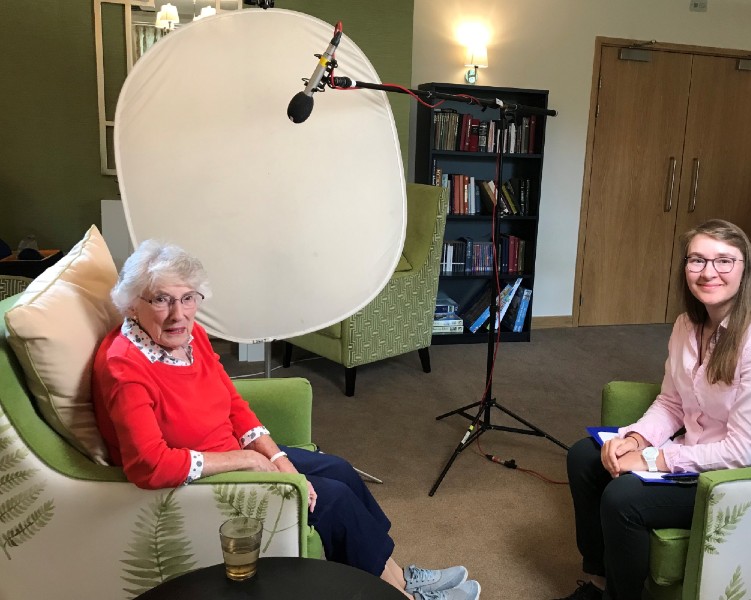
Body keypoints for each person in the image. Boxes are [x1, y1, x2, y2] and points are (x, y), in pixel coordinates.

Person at [92, 240, 481, 600]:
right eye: (162, 300)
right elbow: (149, 466)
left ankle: (397, 579)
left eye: (188, 298)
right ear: (131, 304)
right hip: (200, 475)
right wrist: (249, 460)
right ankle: (404, 597)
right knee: (334, 500)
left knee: (339, 470)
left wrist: (277, 459)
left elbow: (232, 402)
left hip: (230, 448)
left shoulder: (192, 336)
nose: (179, 314)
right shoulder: (125, 368)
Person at [555, 219, 751, 600]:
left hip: (745, 478)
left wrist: (652, 458)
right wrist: (633, 437)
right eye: (697, 260)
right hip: (700, 454)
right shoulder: (687, 325)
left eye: (724, 261)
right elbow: (672, 402)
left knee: (624, 498)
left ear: (744, 270)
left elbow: (744, 452)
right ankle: (597, 581)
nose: (708, 272)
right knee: (584, 456)